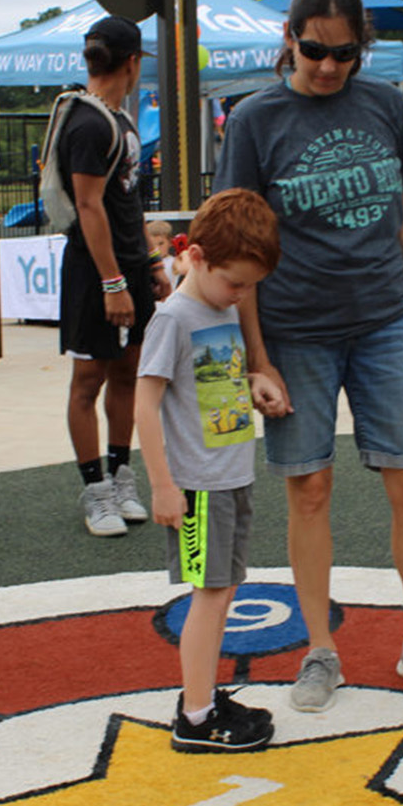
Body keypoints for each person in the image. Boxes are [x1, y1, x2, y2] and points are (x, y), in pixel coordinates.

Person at [213, 0, 403, 713]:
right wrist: (256, 356)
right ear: (289, 40)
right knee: (310, 487)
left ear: (364, 47)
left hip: (385, 318)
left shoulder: (385, 103)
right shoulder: (256, 121)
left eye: (346, 52)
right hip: (295, 331)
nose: (329, 66)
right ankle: (319, 651)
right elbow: (242, 249)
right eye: (316, 50)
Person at [134, 188, 283, 752]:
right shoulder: (173, 319)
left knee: (222, 590)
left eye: (250, 287)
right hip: (197, 485)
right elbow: (145, 404)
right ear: (195, 257)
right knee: (211, 594)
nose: (242, 296)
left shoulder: (216, 307)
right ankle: (195, 717)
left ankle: (203, 695)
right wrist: (163, 486)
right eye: (235, 283)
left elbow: (211, 384)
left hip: (228, 475)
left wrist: (254, 386)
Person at [53, 16, 173, 537]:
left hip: (127, 266)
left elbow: (125, 206)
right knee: (88, 380)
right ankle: (95, 490)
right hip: (93, 271)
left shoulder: (117, 119)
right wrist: (111, 282)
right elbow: (87, 205)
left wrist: (148, 265)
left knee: (129, 372)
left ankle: (122, 477)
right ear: (133, 61)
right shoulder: (87, 121)